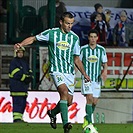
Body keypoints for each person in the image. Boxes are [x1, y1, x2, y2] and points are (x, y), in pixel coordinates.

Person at [14, 12, 90, 133]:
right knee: (64, 92)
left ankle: (52, 113)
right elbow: (34, 38)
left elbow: (76, 58)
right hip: (56, 71)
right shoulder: (52, 33)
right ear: (61, 22)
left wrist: (84, 74)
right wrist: (21, 44)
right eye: (67, 23)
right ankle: (66, 124)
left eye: (71, 24)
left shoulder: (74, 38)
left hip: (69, 73)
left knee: (69, 101)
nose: (69, 26)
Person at [80, 29, 108, 130]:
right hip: (87, 78)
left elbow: (105, 63)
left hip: (97, 79)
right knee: (89, 98)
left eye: (94, 37)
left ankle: (86, 118)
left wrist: (104, 71)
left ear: (97, 38)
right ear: (88, 38)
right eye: (91, 37)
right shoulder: (83, 49)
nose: (92, 39)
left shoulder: (101, 50)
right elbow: (77, 62)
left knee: (95, 102)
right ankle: (90, 124)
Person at [9, 47, 33, 123]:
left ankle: (20, 118)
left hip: (23, 87)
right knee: (17, 103)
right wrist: (25, 78)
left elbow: (29, 72)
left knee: (22, 103)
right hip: (16, 87)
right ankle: (16, 119)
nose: (20, 54)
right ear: (16, 53)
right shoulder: (14, 62)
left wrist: (30, 77)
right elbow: (14, 74)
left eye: (22, 52)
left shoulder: (24, 62)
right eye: (19, 52)